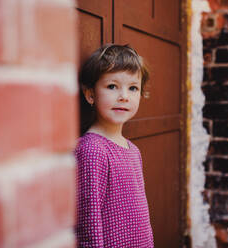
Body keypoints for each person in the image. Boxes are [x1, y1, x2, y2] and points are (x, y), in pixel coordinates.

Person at [75, 44, 154, 247]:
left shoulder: (133, 150)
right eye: (112, 86)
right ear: (90, 94)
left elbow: (141, 214)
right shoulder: (91, 150)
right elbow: (88, 223)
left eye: (133, 88)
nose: (124, 96)